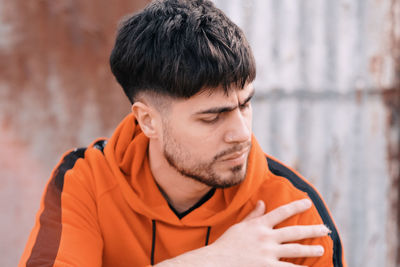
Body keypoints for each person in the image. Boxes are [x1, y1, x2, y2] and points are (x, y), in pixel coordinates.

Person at [19, 0, 346, 266]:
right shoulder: (86, 181)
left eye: (245, 105)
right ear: (148, 121)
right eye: (212, 118)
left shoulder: (292, 212)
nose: (242, 134)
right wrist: (209, 261)